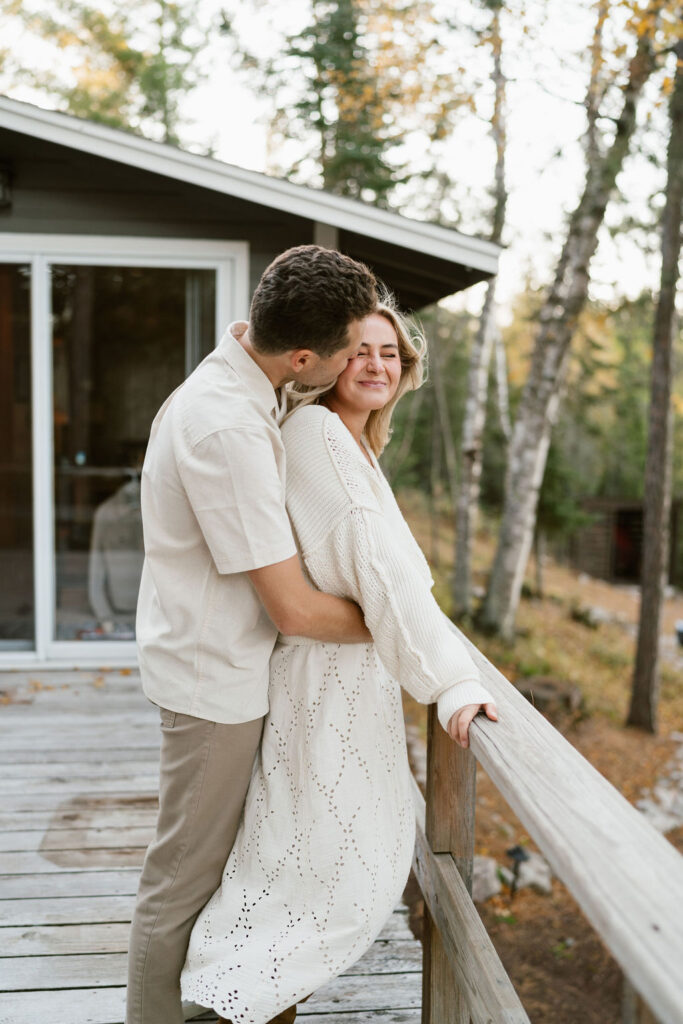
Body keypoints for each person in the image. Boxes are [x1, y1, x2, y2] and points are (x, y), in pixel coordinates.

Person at [180, 298, 498, 1024]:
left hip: (347, 687)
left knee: (303, 874)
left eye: (389, 352)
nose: (376, 364)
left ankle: (239, 1001)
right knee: (318, 878)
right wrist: (451, 682)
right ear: (324, 359)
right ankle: (226, 1004)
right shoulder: (319, 434)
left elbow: (383, 586)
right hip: (323, 688)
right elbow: (383, 579)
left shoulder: (352, 445)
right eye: (359, 350)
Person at [126, 245, 380, 1024]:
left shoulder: (252, 379)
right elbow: (295, 611)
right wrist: (400, 623)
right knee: (183, 880)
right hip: (214, 685)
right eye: (343, 355)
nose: (349, 368)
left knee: (229, 871)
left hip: (229, 669)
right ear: (302, 356)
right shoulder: (225, 429)